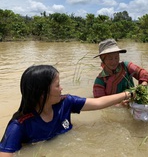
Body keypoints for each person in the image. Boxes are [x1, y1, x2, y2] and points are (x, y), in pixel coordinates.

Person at [0, 65, 134, 156]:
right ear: (42, 93)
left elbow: (98, 103)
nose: (62, 88)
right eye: (57, 85)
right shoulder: (19, 126)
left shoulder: (66, 102)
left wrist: (129, 94)